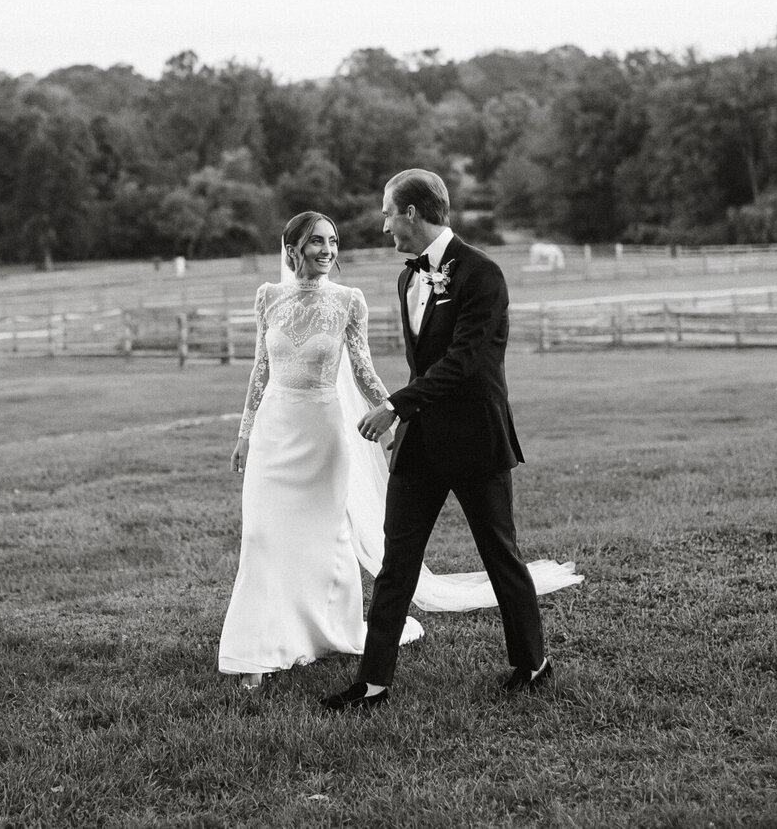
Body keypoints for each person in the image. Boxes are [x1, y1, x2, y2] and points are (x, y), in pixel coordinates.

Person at [321, 169, 575, 712]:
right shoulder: (406, 278)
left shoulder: (483, 274)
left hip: (476, 440)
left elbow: (467, 361)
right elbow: (424, 361)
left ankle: (533, 664)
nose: (385, 224)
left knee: (499, 554)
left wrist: (394, 406)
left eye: (389, 212)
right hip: (421, 444)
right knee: (397, 563)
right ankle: (372, 684)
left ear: (412, 213)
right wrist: (408, 420)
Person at [217, 212, 420, 687]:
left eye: (333, 241)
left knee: (325, 537)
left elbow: (365, 371)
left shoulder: (349, 301)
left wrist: (394, 414)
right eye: (317, 242)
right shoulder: (268, 297)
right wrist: (244, 433)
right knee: (263, 537)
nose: (328, 250)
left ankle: (325, 627)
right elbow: (260, 371)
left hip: (324, 434)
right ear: (293, 249)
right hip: (273, 432)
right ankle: (258, 651)